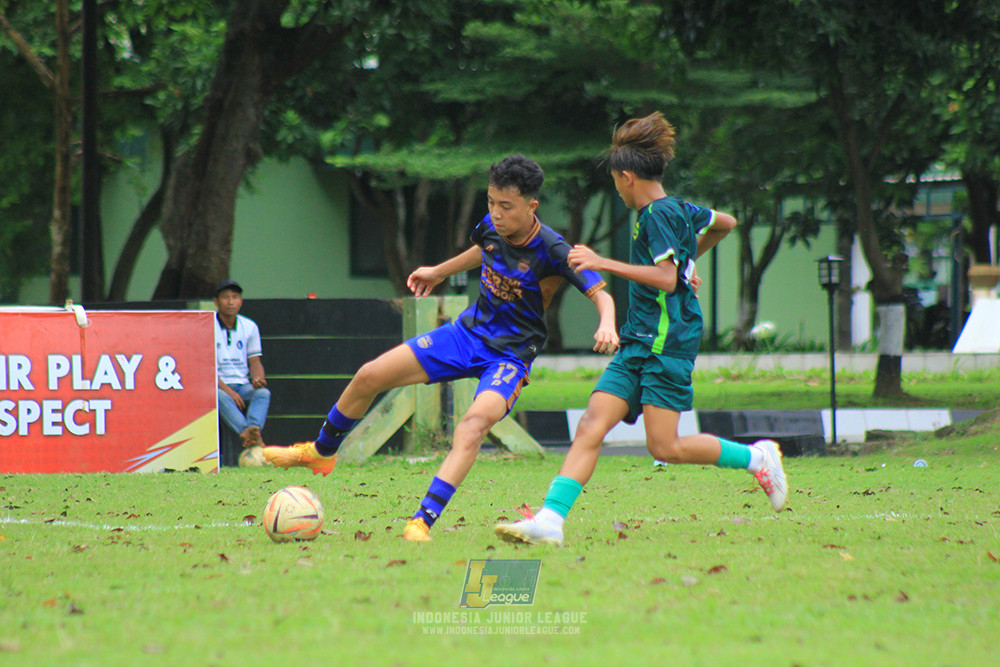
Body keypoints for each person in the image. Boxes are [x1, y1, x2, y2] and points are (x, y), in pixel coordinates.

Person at [262, 155, 619, 541]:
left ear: (531, 206)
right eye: (490, 202)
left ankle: (422, 520)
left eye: (506, 206)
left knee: (472, 426)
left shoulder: (553, 248)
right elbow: (484, 249)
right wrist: (438, 271)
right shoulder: (491, 225)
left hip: (510, 357)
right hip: (465, 334)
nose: (495, 214)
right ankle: (322, 451)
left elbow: (601, 294)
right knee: (370, 375)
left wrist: (607, 322)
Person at [494, 112, 788, 547]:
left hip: (668, 344)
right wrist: (689, 263)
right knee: (592, 424)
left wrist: (603, 262)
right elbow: (725, 223)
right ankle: (550, 521)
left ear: (627, 177)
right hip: (638, 338)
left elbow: (667, 279)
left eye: (615, 181)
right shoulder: (679, 209)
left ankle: (757, 457)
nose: (616, 188)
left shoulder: (656, 215)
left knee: (664, 448)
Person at [214, 279, 271, 454]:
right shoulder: (207, 325)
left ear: (241, 301)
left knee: (262, 393)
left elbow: (255, 361)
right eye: (225, 298)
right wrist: (229, 392)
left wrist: (258, 378)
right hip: (218, 385)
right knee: (219, 397)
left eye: (235, 297)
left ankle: (252, 429)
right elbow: (205, 368)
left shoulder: (249, 326)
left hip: (242, 385)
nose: (230, 302)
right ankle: (247, 434)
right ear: (216, 302)